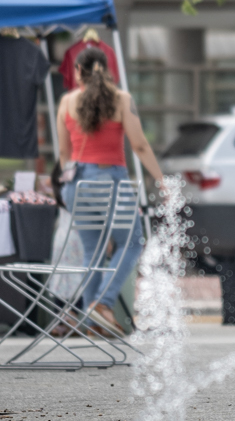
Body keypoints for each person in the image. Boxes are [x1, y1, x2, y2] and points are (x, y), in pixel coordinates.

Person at [57, 43, 164, 331]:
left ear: (78, 70)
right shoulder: (121, 99)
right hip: (109, 181)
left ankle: (94, 324)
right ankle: (102, 303)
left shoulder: (66, 102)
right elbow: (139, 145)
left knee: (93, 252)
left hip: (76, 184)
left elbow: (64, 155)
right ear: (107, 71)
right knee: (132, 242)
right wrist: (161, 179)